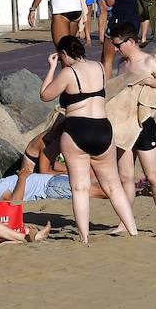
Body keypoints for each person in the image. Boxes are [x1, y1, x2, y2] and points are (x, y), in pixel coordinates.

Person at [38, 35, 139, 242]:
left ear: (64, 54)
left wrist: (51, 67)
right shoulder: (100, 67)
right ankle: (133, 230)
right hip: (102, 128)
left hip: (77, 129)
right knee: (113, 185)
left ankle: (84, 237)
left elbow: (45, 95)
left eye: (61, 56)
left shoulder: (68, 72)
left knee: (80, 187)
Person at [106, 25, 156, 235]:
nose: (116, 49)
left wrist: (150, 80)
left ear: (130, 42)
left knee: (153, 176)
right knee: (125, 177)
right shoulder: (121, 64)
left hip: (144, 123)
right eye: (114, 45)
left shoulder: (149, 62)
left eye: (118, 44)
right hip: (123, 124)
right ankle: (125, 222)